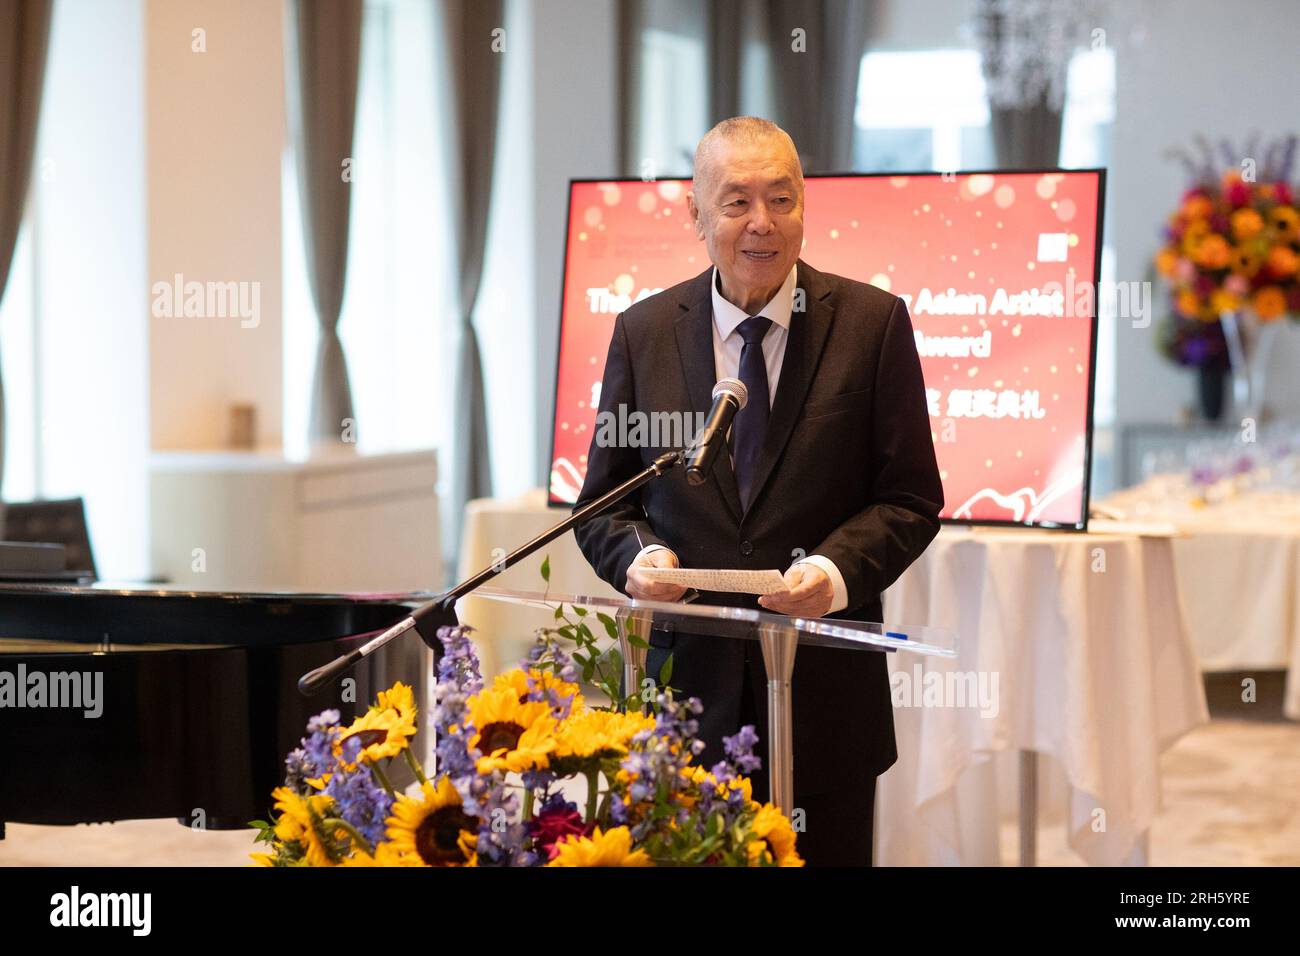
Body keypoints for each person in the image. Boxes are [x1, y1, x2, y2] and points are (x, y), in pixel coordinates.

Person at [573, 116, 943, 866]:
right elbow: (605, 506)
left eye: (783, 198)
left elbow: (910, 498)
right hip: (684, 702)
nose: (762, 224)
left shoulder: (872, 325)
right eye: (737, 201)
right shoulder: (643, 333)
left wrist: (834, 574)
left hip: (824, 698)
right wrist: (641, 560)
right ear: (696, 213)